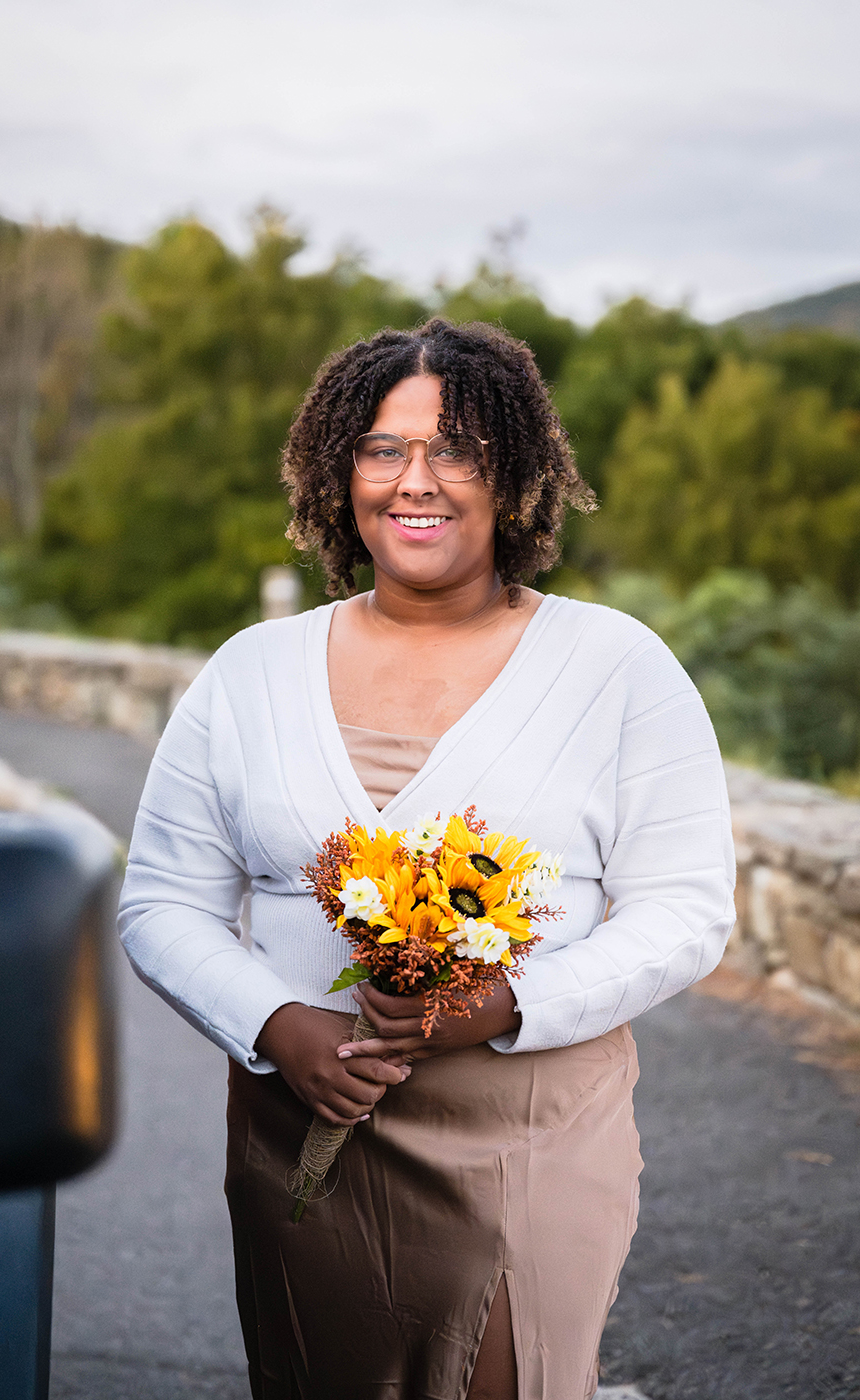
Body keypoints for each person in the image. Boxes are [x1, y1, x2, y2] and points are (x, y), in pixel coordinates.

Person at [119, 318, 736, 1400]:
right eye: (382, 448)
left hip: (529, 1135)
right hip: (306, 1129)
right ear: (335, 471)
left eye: (456, 449)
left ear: (518, 476)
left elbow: (685, 905)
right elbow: (163, 900)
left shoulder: (614, 666)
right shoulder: (248, 674)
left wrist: (509, 999)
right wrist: (275, 1024)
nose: (417, 481)